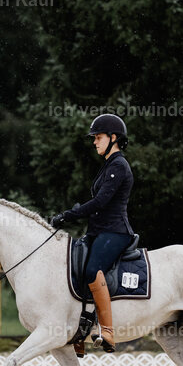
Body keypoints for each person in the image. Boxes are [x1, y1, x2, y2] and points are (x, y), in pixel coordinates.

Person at [51, 113, 134, 353]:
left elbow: (100, 202)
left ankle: (107, 331)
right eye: (94, 138)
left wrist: (69, 214)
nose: (94, 142)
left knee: (91, 270)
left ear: (113, 138)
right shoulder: (108, 165)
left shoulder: (119, 165)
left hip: (115, 231)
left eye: (98, 137)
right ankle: (81, 329)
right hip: (99, 231)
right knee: (74, 267)